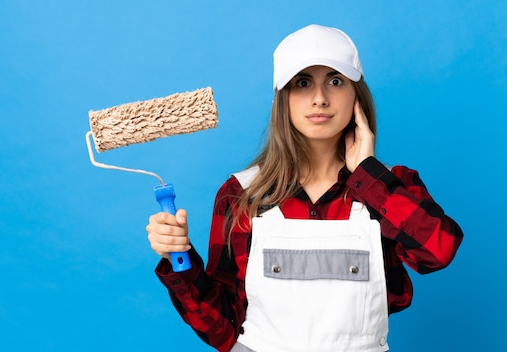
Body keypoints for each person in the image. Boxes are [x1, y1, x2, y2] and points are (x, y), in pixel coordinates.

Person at [146, 24, 463, 352]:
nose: (320, 98)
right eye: (303, 82)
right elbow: (223, 329)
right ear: (282, 100)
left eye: (335, 81)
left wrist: (368, 176)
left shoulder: (388, 187)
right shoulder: (242, 195)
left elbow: (438, 252)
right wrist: (178, 255)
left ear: (357, 96)